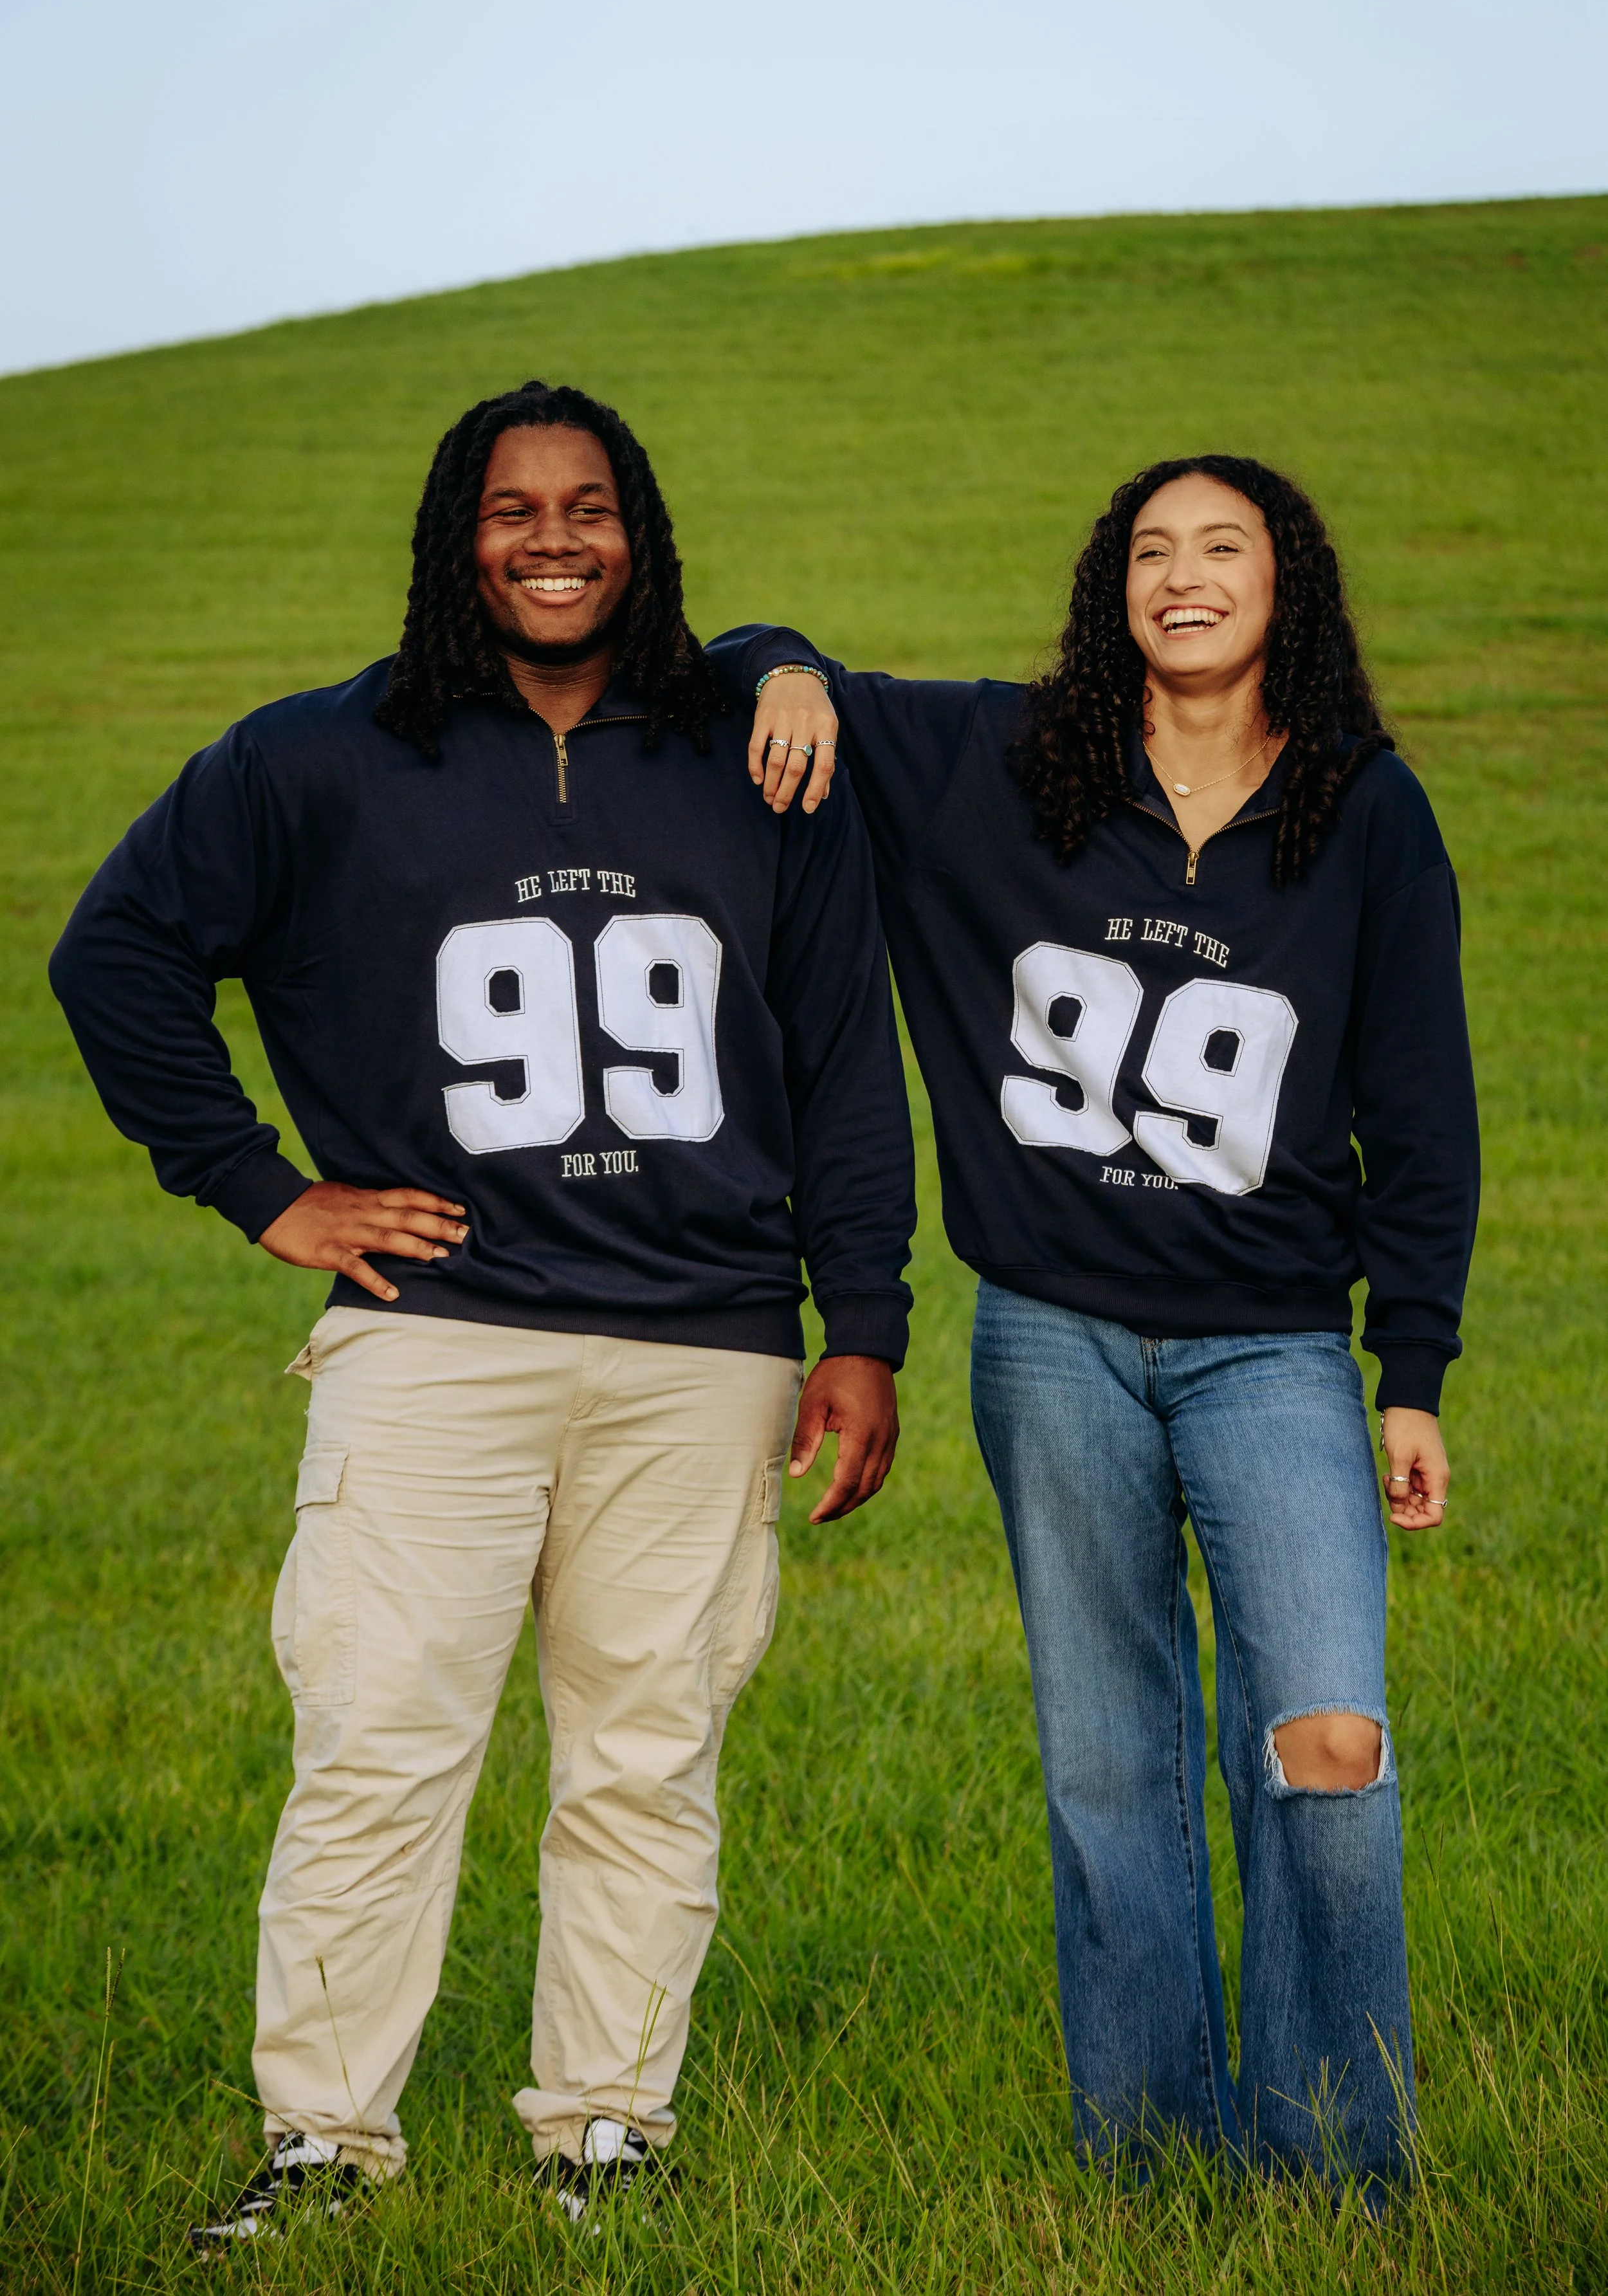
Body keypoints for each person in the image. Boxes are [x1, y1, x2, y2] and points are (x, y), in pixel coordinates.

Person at [50, 381, 915, 2245]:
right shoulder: (318, 756)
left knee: (646, 1750)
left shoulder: (754, 754)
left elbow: (846, 1052)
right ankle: (324, 2149)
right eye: (511, 508)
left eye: (588, 505)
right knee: (378, 1740)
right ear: (458, 536)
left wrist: (864, 1320)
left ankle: (605, 2131)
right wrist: (263, 1187)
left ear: (641, 528)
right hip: (435, 1330)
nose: (551, 537)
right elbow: (113, 954)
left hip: (702, 1341)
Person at [711, 455, 1479, 2194]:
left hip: (1272, 1344)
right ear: (1108, 586)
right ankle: (1146, 2160)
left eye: (1224, 547)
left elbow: (1421, 1109)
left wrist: (1409, 1367)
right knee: (1110, 1766)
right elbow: (771, 660)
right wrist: (782, 665)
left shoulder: (1363, 809)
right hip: (1049, 1336)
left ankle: (1333, 2169)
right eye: (1150, 550)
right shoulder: (1004, 761)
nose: (1183, 575)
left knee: (1326, 1744)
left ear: (1289, 588)